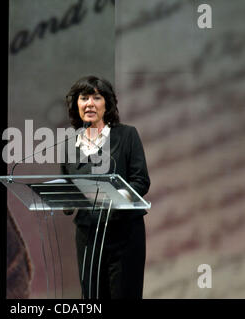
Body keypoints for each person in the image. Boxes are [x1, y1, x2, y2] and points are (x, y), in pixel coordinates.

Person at [60, 75, 150, 299]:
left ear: (107, 104)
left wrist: (114, 197)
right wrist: (65, 199)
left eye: (96, 97)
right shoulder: (70, 143)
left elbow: (141, 181)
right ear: (76, 104)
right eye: (84, 98)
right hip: (88, 235)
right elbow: (66, 185)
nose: (89, 103)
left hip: (124, 234)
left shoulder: (127, 135)